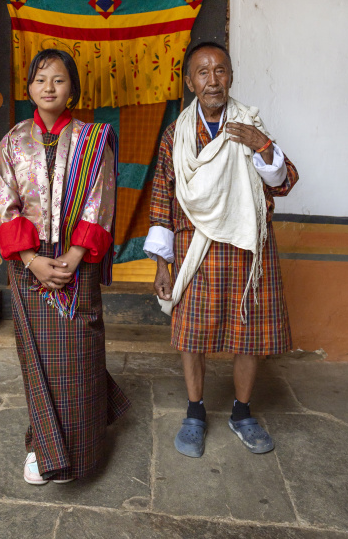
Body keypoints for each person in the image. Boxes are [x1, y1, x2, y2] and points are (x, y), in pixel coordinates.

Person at [143, 41, 298, 457]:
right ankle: (195, 413)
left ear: (231, 76)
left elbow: (284, 182)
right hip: (194, 248)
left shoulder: (249, 124)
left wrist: (263, 145)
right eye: (203, 72)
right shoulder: (176, 135)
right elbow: (162, 197)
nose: (213, 80)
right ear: (190, 81)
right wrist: (162, 264)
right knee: (191, 335)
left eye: (221, 71)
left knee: (249, 336)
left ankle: (242, 412)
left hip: (248, 250)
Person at [0, 49, 130, 485]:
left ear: (72, 87)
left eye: (58, 79)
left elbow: (101, 201)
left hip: (78, 263)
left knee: (80, 357)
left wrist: (73, 257)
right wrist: (32, 261)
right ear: (29, 87)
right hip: (28, 266)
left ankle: (83, 451)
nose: (48, 88)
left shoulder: (93, 140)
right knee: (38, 359)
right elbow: (6, 204)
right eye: (40, 79)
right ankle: (43, 445)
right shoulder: (12, 142)